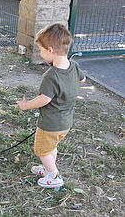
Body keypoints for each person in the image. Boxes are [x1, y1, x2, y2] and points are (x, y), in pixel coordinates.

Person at [17, 23, 86, 188]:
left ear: (50, 50)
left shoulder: (52, 75)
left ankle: (54, 177)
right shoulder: (73, 66)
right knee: (51, 147)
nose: (40, 54)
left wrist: (26, 105)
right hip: (66, 122)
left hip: (50, 124)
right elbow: (82, 79)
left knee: (42, 150)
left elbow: (44, 99)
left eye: (40, 50)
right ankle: (48, 168)